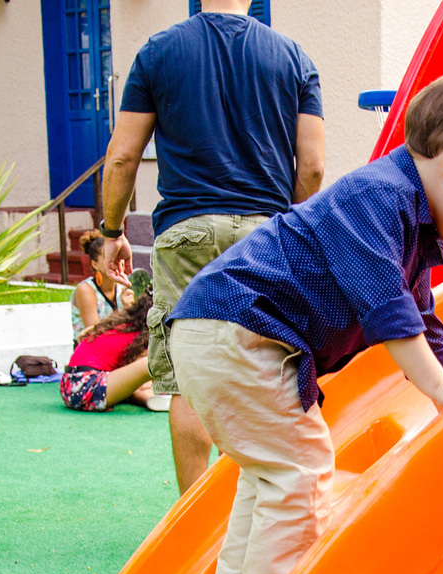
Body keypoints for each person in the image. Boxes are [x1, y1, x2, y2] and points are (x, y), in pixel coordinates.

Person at [167, 63, 443, 574]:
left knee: (269, 467)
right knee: (302, 466)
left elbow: (423, 317)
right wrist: (441, 385)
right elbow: (386, 309)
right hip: (239, 329)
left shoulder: (411, 227)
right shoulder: (378, 196)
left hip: (223, 331)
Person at [98, 0, 325, 496]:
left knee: (187, 378)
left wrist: (109, 229)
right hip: (266, 238)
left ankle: (192, 527)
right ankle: (258, 510)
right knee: (262, 375)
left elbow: (121, 158)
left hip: (187, 234)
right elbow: (311, 169)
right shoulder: (293, 58)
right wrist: (293, 232)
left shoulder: (158, 52)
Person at [60, 292, 168, 413]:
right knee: (153, 360)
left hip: (69, 386)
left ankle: (152, 399)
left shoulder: (122, 326)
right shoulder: (141, 337)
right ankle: (156, 398)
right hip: (85, 387)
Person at [70, 230, 133, 344]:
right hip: (91, 352)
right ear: (95, 264)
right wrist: (124, 311)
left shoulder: (125, 287)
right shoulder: (86, 290)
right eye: (109, 256)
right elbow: (95, 334)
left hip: (118, 347)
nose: (118, 261)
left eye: (119, 255)